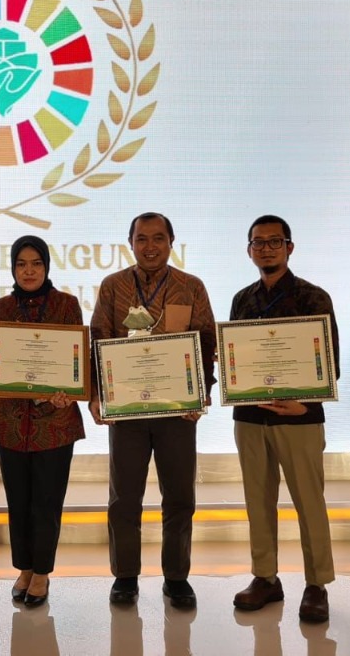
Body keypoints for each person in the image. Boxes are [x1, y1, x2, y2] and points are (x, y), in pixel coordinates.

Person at [89, 212, 216, 610]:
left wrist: (201, 394)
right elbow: (98, 339)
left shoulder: (191, 286)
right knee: (124, 498)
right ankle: (125, 575)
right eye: (141, 238)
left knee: (179, 496)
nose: (150, 246)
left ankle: (177, 577)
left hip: (177, 412)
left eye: (158, 238)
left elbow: (206, 342)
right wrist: (96, 395)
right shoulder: (113, 286)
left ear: (171, 242)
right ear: (130, 243)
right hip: (126, 410)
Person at [229, 214, 339, 624]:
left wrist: (304, 404)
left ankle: (317, 584)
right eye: (258, 242)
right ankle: (265, 578)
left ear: (289, 247)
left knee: (309, 502)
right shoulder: (242, 300)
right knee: (258, 501)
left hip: (300, 418)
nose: (266, 249)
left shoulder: (314, 298)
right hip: (250, 416)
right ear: (249, 251)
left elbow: (330, 361)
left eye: (274, 241)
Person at [0, 235, 86, 608]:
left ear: (47, 266)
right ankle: (25, 568)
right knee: (18, 501)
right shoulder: (0, 307)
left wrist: (68, 391)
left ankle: (42, 572)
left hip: (55, 423)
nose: (29, 271)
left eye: (36, 263)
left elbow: (77, 361)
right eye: (21, 264)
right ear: (13, 268)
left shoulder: (67, 305)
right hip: (10, 423)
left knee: (47, 500)